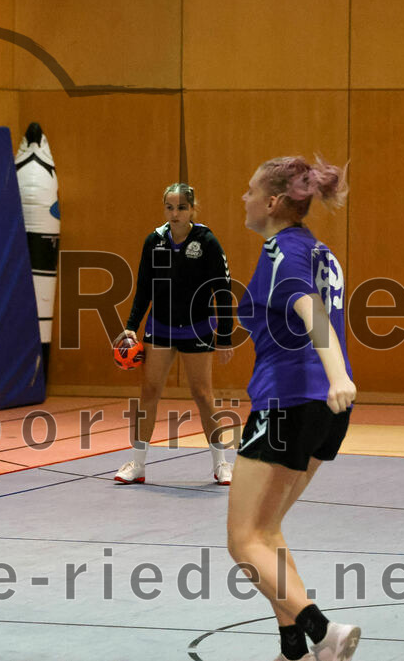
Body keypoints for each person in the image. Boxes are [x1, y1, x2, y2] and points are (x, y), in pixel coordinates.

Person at [227, 156, 359, 661]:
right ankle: (294, 650)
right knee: (267, 531)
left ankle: (322, 630)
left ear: (274, 201)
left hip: (290, 401)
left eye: (250, 190)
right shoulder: (318, 250)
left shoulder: (283, 249)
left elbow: (309, 308)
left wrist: (338, 374)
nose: (245, 198)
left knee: (243, 542)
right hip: (323, 408)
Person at [113, 183, 235, 485]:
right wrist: (131, 324)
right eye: (170, 207)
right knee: (149, 392)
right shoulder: (154, 242)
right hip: (161, 329)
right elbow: (144, 287)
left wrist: (226, 337)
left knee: (203, 395)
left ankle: (221, 463)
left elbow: (223, 290)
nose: (175, 213)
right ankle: (138, 464)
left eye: (181, 207)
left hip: (198, 328)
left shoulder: (207, 242)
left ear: (192, 209)